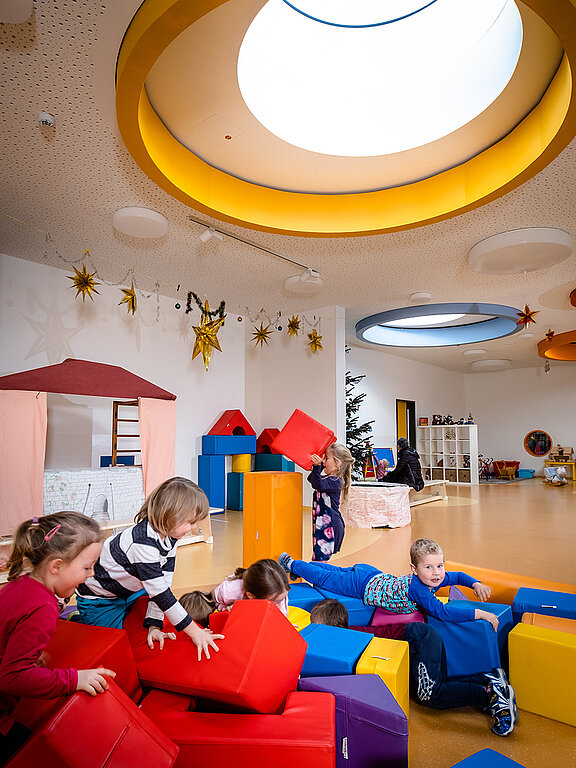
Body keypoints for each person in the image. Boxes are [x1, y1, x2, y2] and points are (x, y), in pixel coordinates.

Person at [308, 596, 517, 737]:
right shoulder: (346, 637)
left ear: (331, 629)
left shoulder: (349, 639)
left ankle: (490, 695)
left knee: (429, 694)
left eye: (316, 628)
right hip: (422, 638)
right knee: (435, 686)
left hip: (420, 638)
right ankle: (487, 679)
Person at [0, 512, 116, 762]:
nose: (92, 574)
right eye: (87, 567)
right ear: (56, 566)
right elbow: (12, 677)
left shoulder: (20, 584)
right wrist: (73, 680)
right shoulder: (43, 607)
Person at [75, 477, 223, 660]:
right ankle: (78, 621)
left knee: (143, 623)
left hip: (131, 589)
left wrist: (154, 625)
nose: (193, 528)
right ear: (171, 516)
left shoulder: (170, 538)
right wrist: (194, 632)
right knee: (109, 649)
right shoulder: (142, 542)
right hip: (100, 598)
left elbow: (163, 584)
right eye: (190, 522)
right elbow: (160, 593)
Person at [279, 538, 500, 629]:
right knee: (326, 579)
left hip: (372, 574)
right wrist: (481, 614)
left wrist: (475, 583)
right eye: (429, 567)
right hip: (362, 585)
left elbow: (459, 576)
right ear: (414, 570)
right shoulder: (419, 588)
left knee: (333, 572)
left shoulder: (434, 578)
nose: (437, 574)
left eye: (440, 566)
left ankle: (304, 565)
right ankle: (291, 563)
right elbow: (442, 612)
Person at [180, 559, 290, 622]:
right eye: (275, 601)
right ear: (251, 596)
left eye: (283, 597)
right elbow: (216, 604)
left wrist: (282, 622)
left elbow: (282, 613)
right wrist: (228, 609)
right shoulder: (229, 591)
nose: (280, 602)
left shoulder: (278, 590)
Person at [308, 442, 354, 562]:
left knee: (320, 558)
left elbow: (317, 483)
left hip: (331, 527)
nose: (324, 461)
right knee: (318, 556)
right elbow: (312, 479)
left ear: (337, 463)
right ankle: (313, 574)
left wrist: (318, 466)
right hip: (324, 525)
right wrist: (320, 466)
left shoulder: (335, 481)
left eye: (326, 459)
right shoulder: (328, 478)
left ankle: (315, 576)